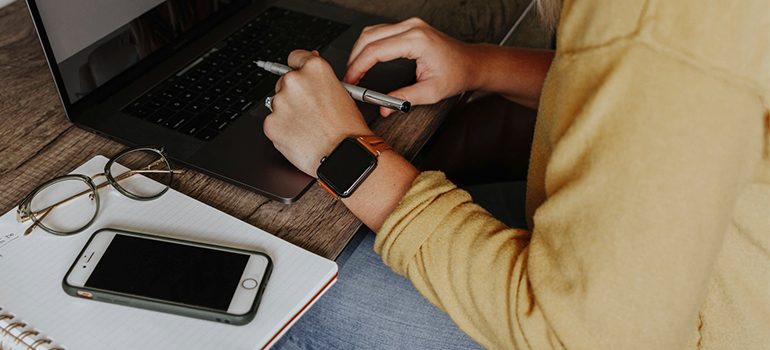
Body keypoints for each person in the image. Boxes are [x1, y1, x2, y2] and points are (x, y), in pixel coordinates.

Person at [264, 0, 769, 348]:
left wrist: (342, 151)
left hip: (652, 327)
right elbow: (643, 90)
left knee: (277, 292)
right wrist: (478, 64)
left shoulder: (662, 25)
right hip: (673, 262)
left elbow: (582, 339)